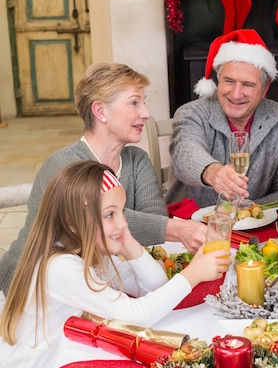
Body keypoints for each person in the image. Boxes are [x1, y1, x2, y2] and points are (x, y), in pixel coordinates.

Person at [0, 161, 231, 368]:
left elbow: (155, 287)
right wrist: (193, 274)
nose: (122, 223)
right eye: (110, 214)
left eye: (122, 212)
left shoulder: (90, 251)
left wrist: (129, 244)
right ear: (73, 223)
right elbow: (135, 315)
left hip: (69, 352)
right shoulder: (59, 267)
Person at [0, 62, 208, 295]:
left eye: (144, 102)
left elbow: (153, 222)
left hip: (103, 275)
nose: (146, 114)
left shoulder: (136, 159)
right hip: (34, 282)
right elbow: (95, 218)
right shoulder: (65, 165)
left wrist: (161, 228)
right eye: (134, 103)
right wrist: (177, 228)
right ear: (100, 111)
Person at [166, 29, 278, 207]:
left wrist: (250, 211)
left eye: (247, 84)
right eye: (229, 81)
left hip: (255, 225)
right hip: (191, 223)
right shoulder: (191, 113)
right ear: (218, 80)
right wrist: (213, 173)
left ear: (265, 88)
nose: (236, 94)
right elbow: (185, 155)